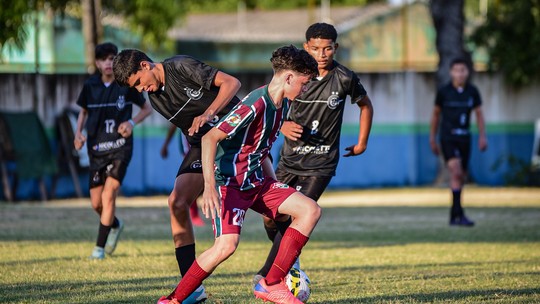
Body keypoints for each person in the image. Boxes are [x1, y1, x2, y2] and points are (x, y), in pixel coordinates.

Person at [156, 45, 320, 304]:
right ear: (288, 78)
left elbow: (261, 149)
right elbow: (210, 138)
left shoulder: (280, 106)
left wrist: (275, 186)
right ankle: (174, 300)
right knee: (226, 246)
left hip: (256, 183)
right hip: (230, 185)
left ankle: (273, 283)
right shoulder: (256, 102)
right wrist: (209, 187)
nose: (306, 88)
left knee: (309, 210)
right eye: (305, 82)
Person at [113, 48, 243, 303]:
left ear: (145, 65)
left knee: (271, 209)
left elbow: (232, 83)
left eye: (139, 82)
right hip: (203, 146)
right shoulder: (156, 99)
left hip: (237, 136)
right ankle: (191, 288)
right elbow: (188, 126)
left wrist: (209, 113)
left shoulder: (181, 66)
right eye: (135, 88)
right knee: (176, 202)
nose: (141, 89)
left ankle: (283, 270)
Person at [254, 22, 374, 282]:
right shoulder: (294, 75)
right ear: (306, 47)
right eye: (316, 48)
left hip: (321, 163)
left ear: (335, 48)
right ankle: (290, 255)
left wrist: (362, 142)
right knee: (270, 217)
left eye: (328, 49)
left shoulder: (344, 78)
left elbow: (365, 106)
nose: (322, 54)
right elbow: (273, 101)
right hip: (289, 159)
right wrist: (283, 125)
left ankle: (267, 275)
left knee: (301, 212)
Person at [74, 42, 152, 260]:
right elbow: (83, 112)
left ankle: (98, 249)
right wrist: (77, 134)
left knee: (109, 195)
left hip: (120, 149)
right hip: (96, 150)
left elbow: (147, 109)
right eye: (104, 59)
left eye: (112, 58)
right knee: (96, 203)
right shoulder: (90, 86)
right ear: (97, 63)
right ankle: (115, 224)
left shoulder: (124, 85)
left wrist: (131, 123)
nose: (108, 63)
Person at [429, 58, 488, 226]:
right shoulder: (444, 92)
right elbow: (435, 115)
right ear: (451, 72)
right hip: (448, 137)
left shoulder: (472, 91)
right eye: (456, 70)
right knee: (455, 171)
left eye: (463, 70)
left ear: (467, 72)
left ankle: (455, 216)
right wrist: (432, 138)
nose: (460, 74)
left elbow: (479, 114)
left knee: (460, 176)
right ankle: (457, 215)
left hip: (465, 138)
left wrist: (483, 136)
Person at [161, 124, 205, 227]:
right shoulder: (182, 110)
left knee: (206, 182)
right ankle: (193, 214)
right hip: (190, 149)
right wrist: (166, 144)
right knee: (191, 183)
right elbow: (173, 125)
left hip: (207, 145)